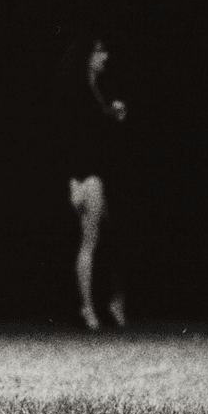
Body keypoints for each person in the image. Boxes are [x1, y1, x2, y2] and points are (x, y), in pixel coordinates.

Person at [54, 34, 131, 331]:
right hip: (88, 175)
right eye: (99, 51)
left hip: (100, 172)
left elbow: (98, 129)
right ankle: (88, 307)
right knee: (91, 241)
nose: (105, 56)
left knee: (112, 238)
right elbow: (69, 138)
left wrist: (113, 113)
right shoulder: (77, 91)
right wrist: (73, 181)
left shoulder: (97, 89)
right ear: (87, 56)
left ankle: (111, 301)